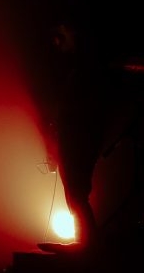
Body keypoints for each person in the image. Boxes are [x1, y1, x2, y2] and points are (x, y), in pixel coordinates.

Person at [39, 21, 112, 257]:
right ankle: (86, 241)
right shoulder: (80, 71)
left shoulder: (85, 71)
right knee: (74, 190)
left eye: (61, 35)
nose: (57, 43)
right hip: (77, 139)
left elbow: (79, 111)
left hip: (79, 140)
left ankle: (87, 242)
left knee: (76, 190)